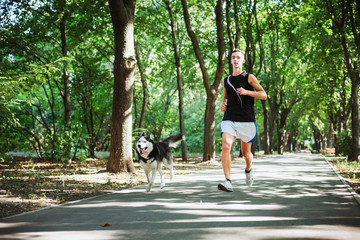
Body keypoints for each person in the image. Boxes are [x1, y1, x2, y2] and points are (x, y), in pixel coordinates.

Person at [218, 49, 267, 192]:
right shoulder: (226, 80)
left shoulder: (249, 77)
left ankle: (248, 169)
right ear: (231, 60)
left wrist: (247, 92)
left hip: (246, 120)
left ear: (243, 61)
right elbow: (226, 97)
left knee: (247, 154)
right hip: (230, 119)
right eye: (233, 57)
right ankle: (228, 181)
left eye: (238, 57)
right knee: (226, 146)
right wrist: (223, 105)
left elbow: (263, 95)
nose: (236, 59)